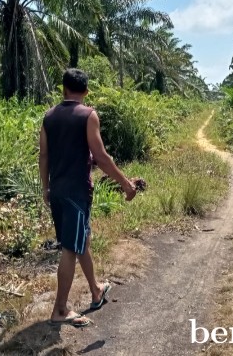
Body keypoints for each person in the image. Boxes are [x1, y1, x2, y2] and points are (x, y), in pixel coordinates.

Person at [39, 68, 137, 327]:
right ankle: (60, 309)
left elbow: (44, 156)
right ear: (86, 91)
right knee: (71, 248)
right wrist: (126, 185)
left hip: (58, 191)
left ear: (64, 89)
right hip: (77, 192)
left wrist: (45, 188)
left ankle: (95, 290)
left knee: (82, 239)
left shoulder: (49, 117)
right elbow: (102, 156)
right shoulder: (88, 115)